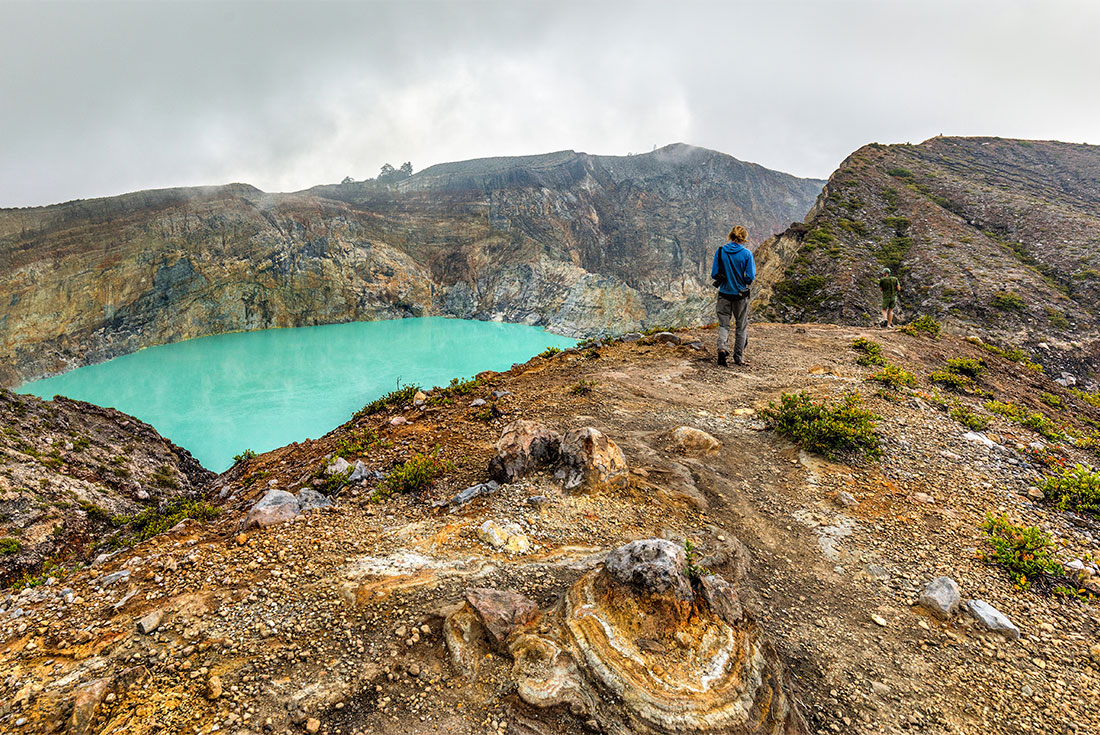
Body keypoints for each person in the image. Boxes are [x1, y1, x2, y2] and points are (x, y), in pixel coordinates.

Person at [711, 225, 755, 366]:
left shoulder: (720, 251)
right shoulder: (747, 254)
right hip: (740, 295)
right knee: (740, 327)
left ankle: (722, 349)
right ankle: (738, 357)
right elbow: (750, 277)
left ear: (731, 235)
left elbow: (714, 274)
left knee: (724, 325)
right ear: (743, 237)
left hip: (724, 293)